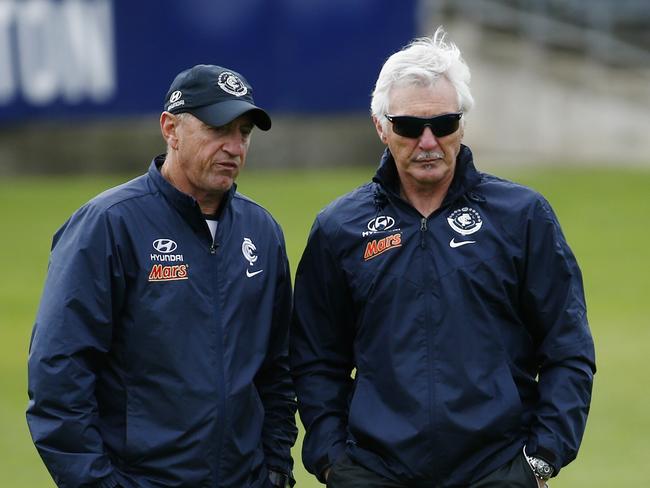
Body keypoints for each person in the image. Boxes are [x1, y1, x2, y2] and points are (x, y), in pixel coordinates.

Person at [290, 28, 596, 488]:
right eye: (410, 127)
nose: (428, 141)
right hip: (376, 473)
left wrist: (541, 459)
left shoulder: (523, 217)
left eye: (444, 124)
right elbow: (315, 360)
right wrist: (335, 462)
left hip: (497, 472)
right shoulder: (339, 229)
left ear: (463, 124)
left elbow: (568, 348)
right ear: (381, 127)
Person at [27, 64, 297, 488]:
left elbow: (276, 370)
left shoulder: (262, 232)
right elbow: (58, 375)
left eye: (243, 132)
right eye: (217, 128)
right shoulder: (108, 225)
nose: (233, 146)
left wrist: (277, 468)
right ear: (171, 129)